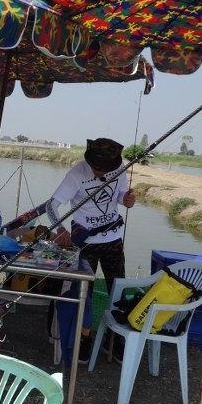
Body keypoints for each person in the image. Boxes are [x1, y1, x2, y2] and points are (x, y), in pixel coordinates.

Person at [46, 138, 136, 363]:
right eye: (98, 168)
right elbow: (51, 205)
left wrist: (127, 200)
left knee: (119, 289)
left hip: (114, 238)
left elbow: (121, 197)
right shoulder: (77, 174)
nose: (102, 172)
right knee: (83, 294)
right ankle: (82, 341)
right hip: (86, 242)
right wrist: (59, 229)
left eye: (107, 168)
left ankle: (115, 341)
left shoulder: (119, 170)